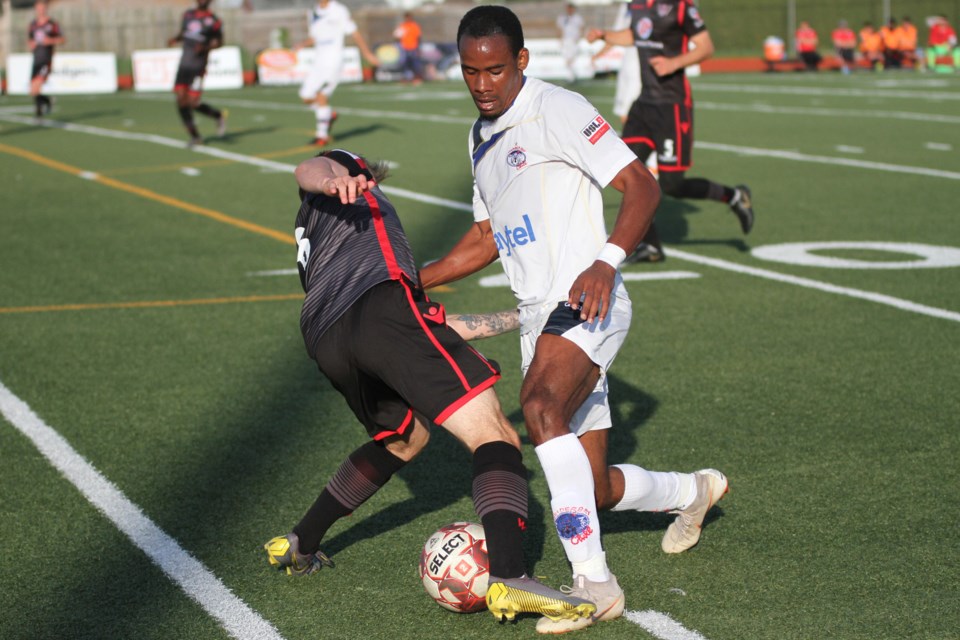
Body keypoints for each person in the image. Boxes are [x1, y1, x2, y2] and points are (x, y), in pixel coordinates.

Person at [420, 6, 729, 633]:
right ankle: (691, 492)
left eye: (496, 70)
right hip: (542, 318)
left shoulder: (555, 107)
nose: (483, 84)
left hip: (589, 298)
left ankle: (594, 583)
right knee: (593, 487)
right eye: (470, 71)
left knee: (537, 408)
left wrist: (608, 262)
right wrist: (411, 280)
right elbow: (485, 238)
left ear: (522, 62)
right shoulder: (479, 136)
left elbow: (641, 186)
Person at [262, 149, 597, 628]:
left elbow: (432, 326)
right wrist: (333, 179)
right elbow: (310, 168)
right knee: (495, 435)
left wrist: (529, 316)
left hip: (327, 337)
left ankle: (299, 542)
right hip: (378, 310)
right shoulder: (345, 192)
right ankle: (509, 575)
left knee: (403, 438)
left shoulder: (337, 238)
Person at [587, 0, 755, 264]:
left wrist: (673, 63)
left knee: (672, 185)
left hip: (673, 107)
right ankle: (651, 246)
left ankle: (734, 196)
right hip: (644, 105)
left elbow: (706, 47)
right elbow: (636, 34)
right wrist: (605, 35)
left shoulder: (680, 7)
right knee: (627, 171)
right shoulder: (637, 5)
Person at [294, 0, 379, 146]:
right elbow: (315, 37)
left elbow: (355, 33)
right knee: (306, 96)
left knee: (321, 95)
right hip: (318, 61)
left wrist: (367, 54)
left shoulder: (339, 10)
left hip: (333, 61)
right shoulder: (313, 12)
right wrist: (300, 45)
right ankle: (328, 114)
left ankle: (322, 135)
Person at [168, 0, 227, 147]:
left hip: (198, 67)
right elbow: (184, 33)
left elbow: (219, 42)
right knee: (181, 100)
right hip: (184, 65)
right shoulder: (188, 15)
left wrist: (206, 47)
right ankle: (195, 136)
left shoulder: (214, 21)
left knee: (193, 103)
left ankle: (217, 115)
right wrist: (176, 39)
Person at [27, 0, 64, 119]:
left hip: (46, 59)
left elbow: (62, 39)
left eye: (43, 7)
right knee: (33, 90)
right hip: (36, 59)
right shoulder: (33, 24)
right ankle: (48, 101)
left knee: (37, 85)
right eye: (38, 7)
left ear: (46, 8)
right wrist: (31, 44)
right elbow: (30, 40)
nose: (41, 9)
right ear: (36, 8)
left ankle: (39, 113)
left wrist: (50, 41)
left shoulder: (52, 24)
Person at [556, 3, 584, 83]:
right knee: (567, 59)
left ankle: (572, 76)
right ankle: (571, 76)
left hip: (574, 40)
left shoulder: (578, 18)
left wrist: (579, 38)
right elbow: (559, 29)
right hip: (565, 40)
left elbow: (581, 28)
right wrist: (560, 39)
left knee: (572, 58)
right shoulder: (562, 18)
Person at [393, 11, 424, 84]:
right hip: (404, 48)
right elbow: (397, 36)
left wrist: (418, 47)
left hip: (413, 47)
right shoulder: (402, 26)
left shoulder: (414, 26)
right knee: (404, 64)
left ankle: (416, 78)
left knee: (415, 64)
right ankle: (406, 78)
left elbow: (418, 37)